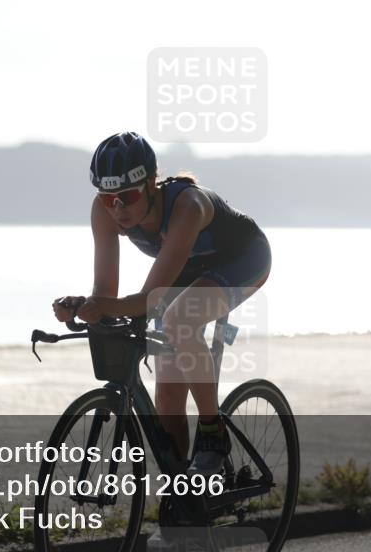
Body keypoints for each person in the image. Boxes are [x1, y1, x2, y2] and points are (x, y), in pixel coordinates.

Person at [53, 132, 271, 479]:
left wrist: (102, 305)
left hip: (242, 260)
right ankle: (182, 508)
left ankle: (213, 431)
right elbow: (107, 290)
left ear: (151, 183)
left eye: (128, 196)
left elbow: (145, 301)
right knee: (167, 404)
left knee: (180, 318)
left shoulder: (188, 206)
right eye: (109, 199)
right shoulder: (105, 211)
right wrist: (84, 304)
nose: (118, 208)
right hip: (188, 271)